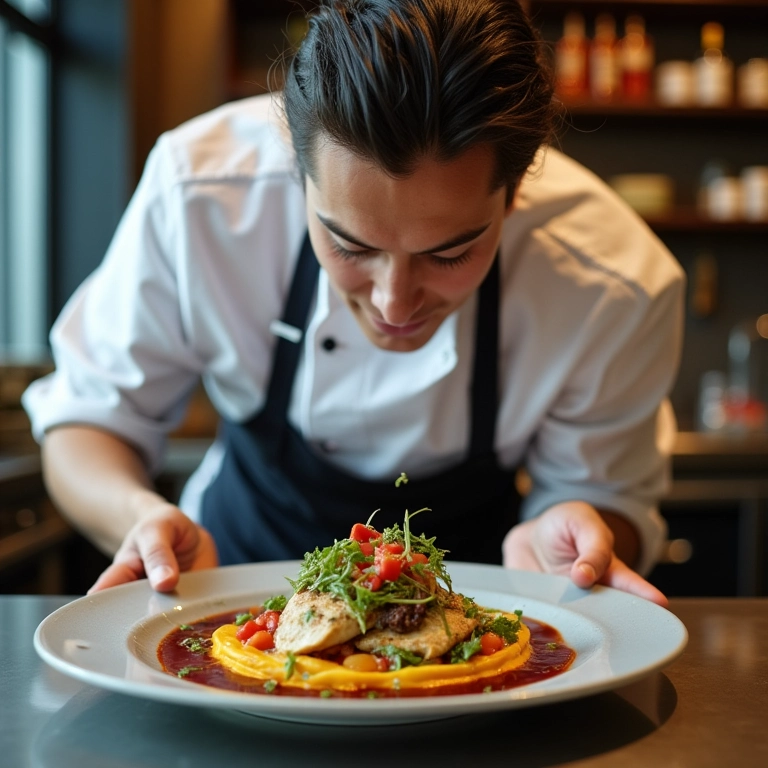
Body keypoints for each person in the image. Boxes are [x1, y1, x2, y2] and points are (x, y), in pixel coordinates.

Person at [23, 0, 682, 606]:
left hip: (480, 616)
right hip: (226, 594)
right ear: (299, 174)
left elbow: (606, 496)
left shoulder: (611, 280)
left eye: (448, 253)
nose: (395, 301)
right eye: (349, 244)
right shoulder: (200, 195)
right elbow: (90, 420)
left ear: (513, 194)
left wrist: (577, 535)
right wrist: (137, 515)